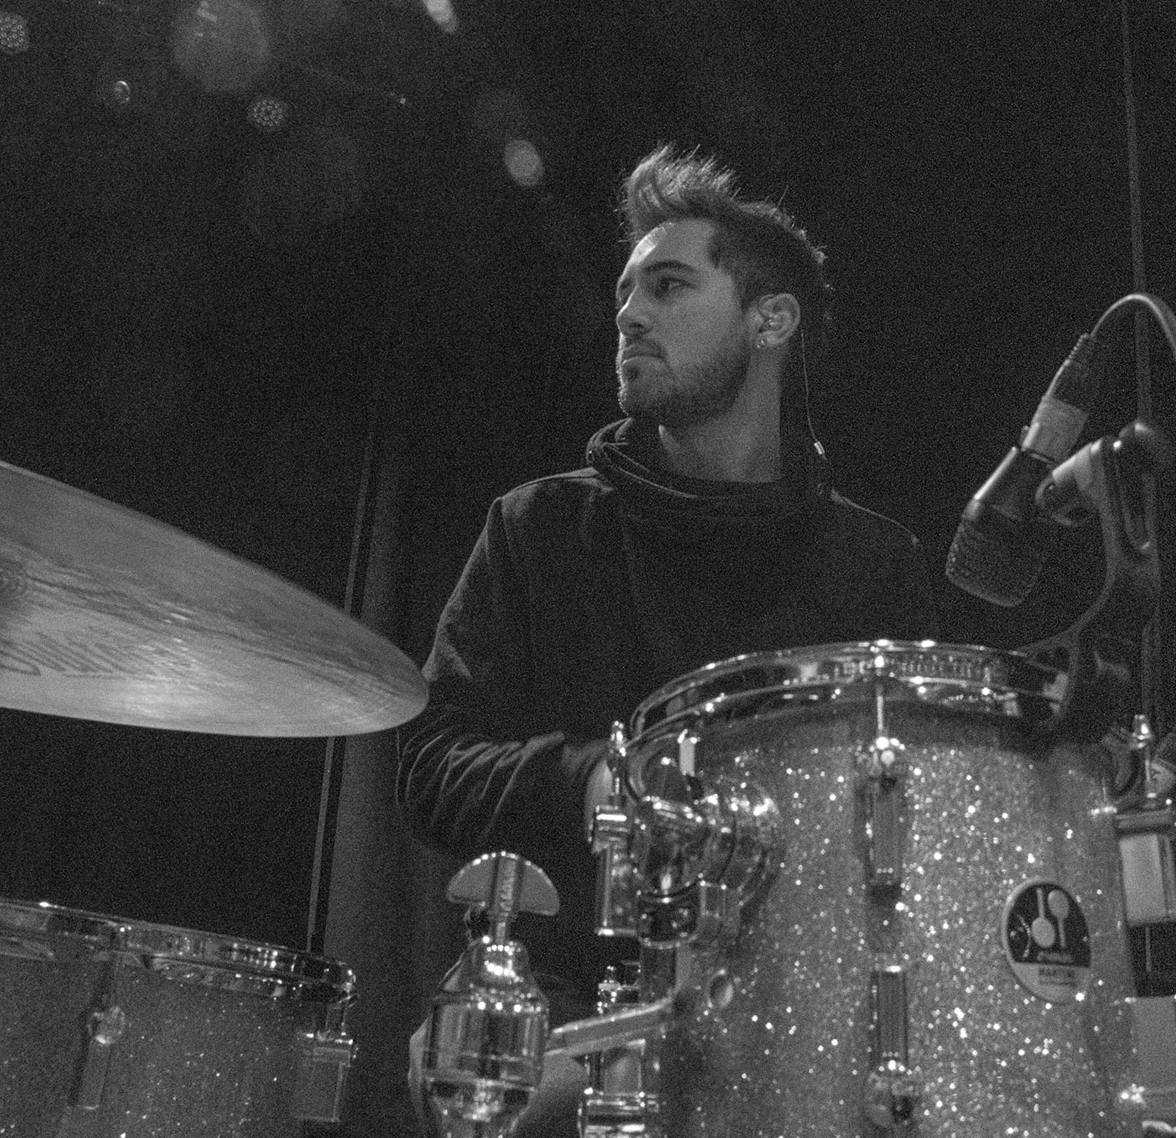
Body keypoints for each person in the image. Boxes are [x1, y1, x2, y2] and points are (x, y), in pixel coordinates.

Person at [395, 145, 938, 1133]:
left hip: (812, 1008)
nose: (629, 314)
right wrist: (593, 782)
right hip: (574, 1005)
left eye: (669, 285)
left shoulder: (876, 566)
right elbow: (431, 764)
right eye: (623, 293)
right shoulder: (539, 529)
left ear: (771, 319)